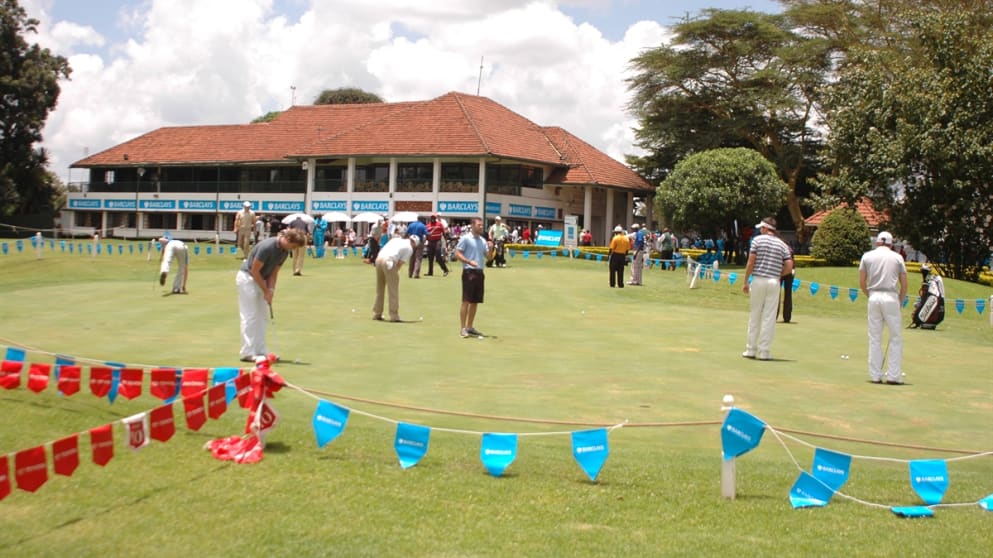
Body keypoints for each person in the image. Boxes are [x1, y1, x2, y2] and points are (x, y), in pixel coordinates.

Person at [236, 228, 307, 362]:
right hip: (247, 278)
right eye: (293, 246)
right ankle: (247, 352)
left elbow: (274, 273)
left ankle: (260, 350)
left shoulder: (284, 252)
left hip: (261, 279)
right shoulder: (267, 247)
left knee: (263, 316)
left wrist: (271, 291)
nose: (293, 249)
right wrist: (266, 290)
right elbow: (254, 271)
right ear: (287, 239)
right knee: (250, 316)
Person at [859, 231, 908, 383]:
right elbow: (904, 284)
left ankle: (875, 375)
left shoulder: (867, 256)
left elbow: (862, 281)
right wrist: (900, 301)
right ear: (891, 244)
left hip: (874, 296)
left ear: (877, 242)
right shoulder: (897, 257)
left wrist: (869, 295)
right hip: (891, 296)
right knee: (895, 337)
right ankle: (893, 375)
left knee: (874, 337)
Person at [742, 217, 793, 361]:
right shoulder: (782, 244)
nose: (760, 230)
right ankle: (764, 351)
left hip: (758, 279)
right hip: (773, 282)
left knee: (755, 314)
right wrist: (778, 274)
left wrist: (745, 281)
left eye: (761, 228)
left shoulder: (757, 241)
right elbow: (789, 266)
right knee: (769, 317)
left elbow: (751, 262)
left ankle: (751, 349)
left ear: (765, 228)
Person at [373, 235, 419, 322]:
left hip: (379, 259)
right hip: (389, 261)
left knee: (380, 288)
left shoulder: (396, 239)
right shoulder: (409, 248)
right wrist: (394, 272)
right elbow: (400, 264)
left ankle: (377, 313)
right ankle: (394, 316)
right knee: (393, 289)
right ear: (414, 244)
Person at [456, 217, 487, 338]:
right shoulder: (466, 238)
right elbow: (458, 253)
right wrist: (469, 261)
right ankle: (463, 328)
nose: (481, 227)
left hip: (480, 272)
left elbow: (488, 257)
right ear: (473, 225)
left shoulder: (483, 241)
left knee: (475, 302)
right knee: (466, 301)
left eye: (482, 225)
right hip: (469, 272)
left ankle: (469, 327)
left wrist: (491, 248)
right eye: (479, 225)